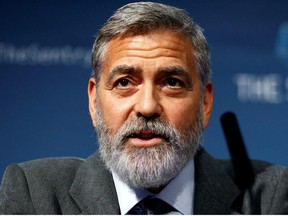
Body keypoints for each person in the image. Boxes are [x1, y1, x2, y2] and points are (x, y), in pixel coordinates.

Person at [0, 2, 288, 215]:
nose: (147, 106)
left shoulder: (269, 198)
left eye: (172, 82)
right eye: (125, 82)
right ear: (93, 100)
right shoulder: (35, 195)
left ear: (205, 104)